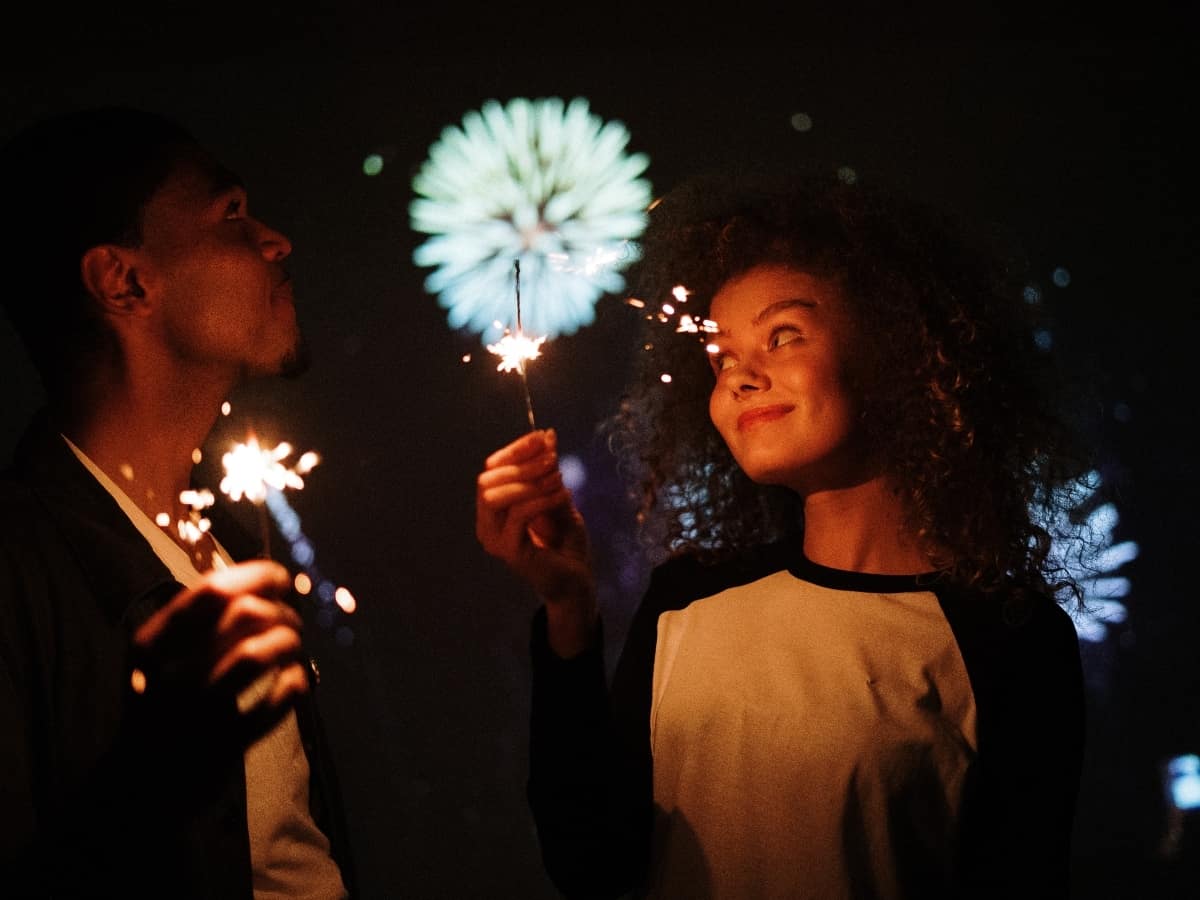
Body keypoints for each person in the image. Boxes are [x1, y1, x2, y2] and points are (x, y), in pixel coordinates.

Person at [476, 169, 1092, 897]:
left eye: (783, 335)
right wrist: (569, 612)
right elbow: (591, 863)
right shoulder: (686, 599)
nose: (740, 377)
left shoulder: (1010, 638)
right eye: (721, 356)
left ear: (897, 347)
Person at [0, 107, 353, 898]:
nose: (275, 240)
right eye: (230, 214)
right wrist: (159, 768)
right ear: (125, 281)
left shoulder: (231, 552)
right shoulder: (18, 574)